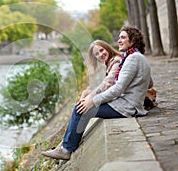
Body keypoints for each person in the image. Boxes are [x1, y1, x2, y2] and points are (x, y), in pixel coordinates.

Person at [41, 26, 153, 160]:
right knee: (83, 107)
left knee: (80, 109)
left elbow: (118, 88)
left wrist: (92, 100)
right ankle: (64, 146)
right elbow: (149, 83)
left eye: (123, 37)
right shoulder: (136, 56)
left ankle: (65, 150)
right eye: (119, 37)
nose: (119, 40)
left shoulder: (132, 59)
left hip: (127, 107)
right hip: (127, 103)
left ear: (133, 40)